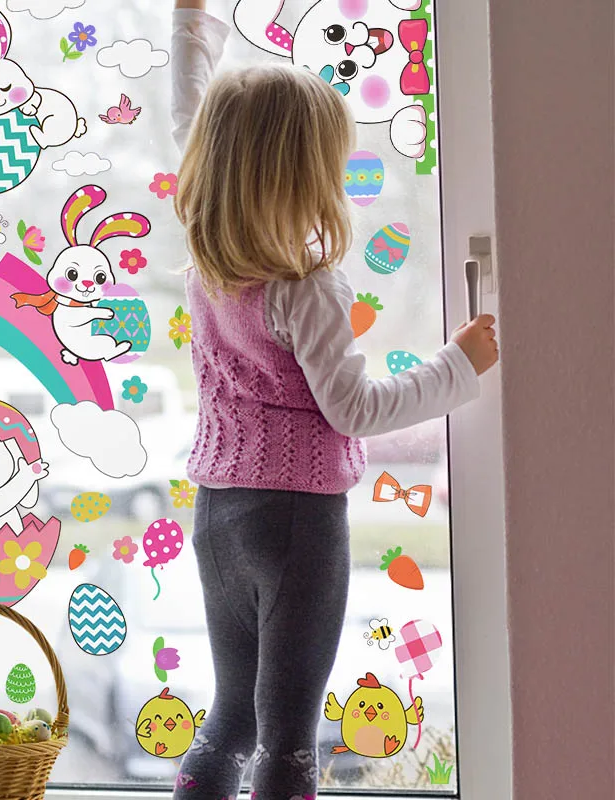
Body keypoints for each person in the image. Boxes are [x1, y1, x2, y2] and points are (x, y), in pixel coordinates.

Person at [170, 2, 498, 798]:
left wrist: (191, 28)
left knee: (231, 720)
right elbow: (355, 409)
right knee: (286, 737)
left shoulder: (212, 264)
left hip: (217, 513)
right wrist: (460, 364)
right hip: (296, 525)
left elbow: (191, 123)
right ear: (303, 179)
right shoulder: (306, 288)